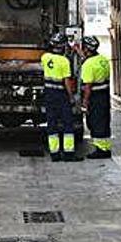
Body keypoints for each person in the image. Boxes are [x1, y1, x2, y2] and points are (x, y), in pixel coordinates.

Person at [41, 32, 81, 162]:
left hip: (49, 94)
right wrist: (71, 97)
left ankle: (55, 154)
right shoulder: (64, 61)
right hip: (61, 95)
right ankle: (69, 153)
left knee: (51, 124)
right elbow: (67, 81)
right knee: (67, 123)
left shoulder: (45, 57)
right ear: (63, 46)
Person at [80, 36, 112, 159]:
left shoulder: (88, 64)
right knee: (104, 121)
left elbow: (88, 86)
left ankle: (100, 150)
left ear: (87, 49)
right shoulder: (103, 60)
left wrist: (85, 102)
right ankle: (105, 147)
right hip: (104, 95)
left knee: (95, 122)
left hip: (95, 97)